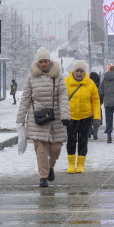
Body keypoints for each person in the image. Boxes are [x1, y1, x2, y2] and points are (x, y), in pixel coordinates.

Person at [16, 47, 70, 187]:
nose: (44, 64)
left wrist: (65, 115)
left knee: (56, 149)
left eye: (46, 61)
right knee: (41, 150)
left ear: (49, 62)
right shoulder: (31, 78)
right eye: (41, 61)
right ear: (38, 62)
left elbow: (63, 96)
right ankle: (43, 177)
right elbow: (25, 99)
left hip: (55, 118)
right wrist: (20, 119)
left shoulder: (58, 76)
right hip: (37, 120)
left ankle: (51, 167)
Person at [64, 60, 101, 174]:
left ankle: (80, 165)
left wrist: (97, 117)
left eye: (81, 71)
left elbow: (95, 101)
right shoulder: (66, 82)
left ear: (84, 72)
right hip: (71, 117)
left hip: (85, 117)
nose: (79, 73)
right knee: (71, 140)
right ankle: (71, 164)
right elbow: (61, 100)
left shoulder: (91, 84)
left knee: (83, 141)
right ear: (73, 71)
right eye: (77, 71)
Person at [99, 64, 114, 143]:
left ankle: (109, 137)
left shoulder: (104, 79)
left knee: (109, 119)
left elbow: (100, 91)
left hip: (108, 102)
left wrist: (101, 100)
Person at [88, 71, 101, 140]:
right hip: (96, 105)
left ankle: (89, 133)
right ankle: (95, 134)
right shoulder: (98, 86)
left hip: (89, 105)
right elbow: (100, 95)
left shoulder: (88, 85)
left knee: (89, 120)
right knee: (96, 119)